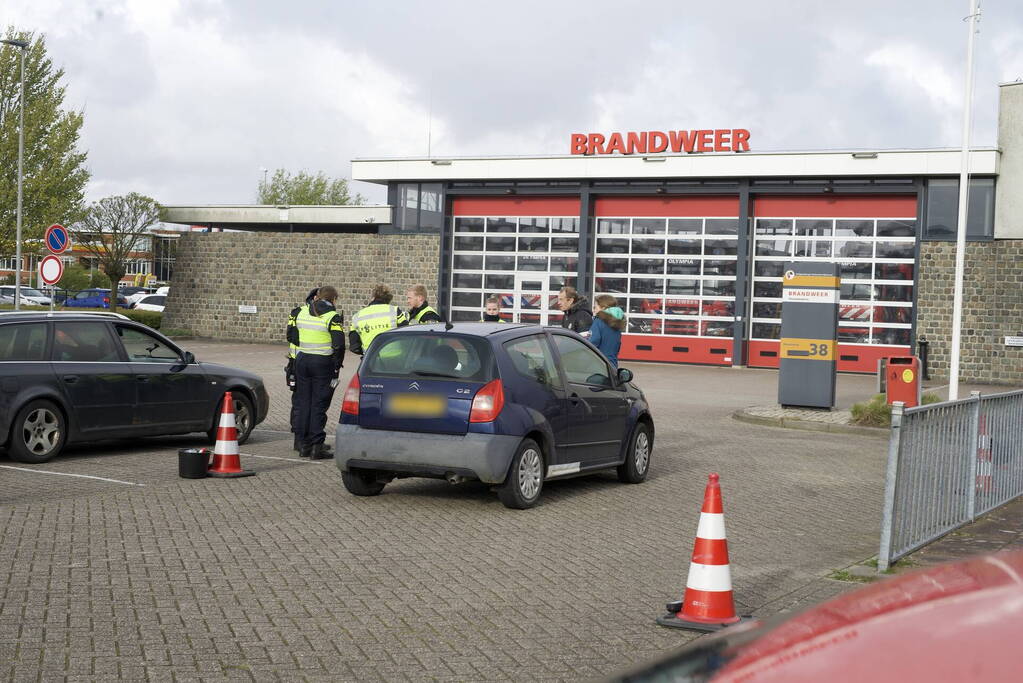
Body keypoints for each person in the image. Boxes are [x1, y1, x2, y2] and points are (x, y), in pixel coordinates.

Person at [293, 286, 345, 460]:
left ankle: (303, 444)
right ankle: (317, 446)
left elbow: (292, 336)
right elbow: (339, 344)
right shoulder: (332, 316)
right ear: (334, 299)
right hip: (322, 363)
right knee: (319, 404)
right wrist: (337, 366)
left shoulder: (301, 312)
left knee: (304, 403)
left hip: (302, 360)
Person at [286, 287, 319, 451]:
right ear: (314, 298)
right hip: (304, 361)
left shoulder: (297, 312)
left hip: (297, 362)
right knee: (303, 402)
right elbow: (292, 336)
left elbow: (290, 335)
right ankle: (302, 440)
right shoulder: (307, 313)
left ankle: (300, 439)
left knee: (299, 402)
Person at [349, 284, 410, 355]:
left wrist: (366, 353)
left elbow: (354, 346)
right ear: (389, 298)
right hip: (395, 358)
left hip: (370, 360)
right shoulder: (395, 311)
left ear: (373, 297)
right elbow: (407, 335)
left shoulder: (357, 316)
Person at [590, 294, 626, 367]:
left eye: (595, 307)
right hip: (613, 364)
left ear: (603, 308)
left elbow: (592, 343)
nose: (593, 310)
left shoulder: (598, 322)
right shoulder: (617, 323)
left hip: (599, 365)